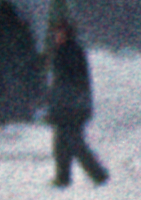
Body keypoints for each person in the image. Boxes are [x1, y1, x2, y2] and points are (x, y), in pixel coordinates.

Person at [45, 14, 107, 186]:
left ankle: (98, 175)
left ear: (67, 34)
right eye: (56, 33)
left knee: (74, 144)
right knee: (61, 144)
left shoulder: (70, 51)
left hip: (72, 107)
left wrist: (62, 101)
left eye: (60, 33)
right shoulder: (63, 51)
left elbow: (70, 81)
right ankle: (63, 177)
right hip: (67, 105)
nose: (57, 36)